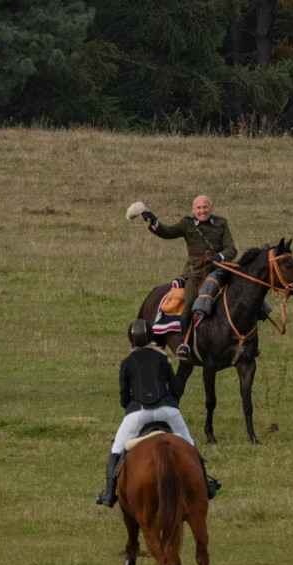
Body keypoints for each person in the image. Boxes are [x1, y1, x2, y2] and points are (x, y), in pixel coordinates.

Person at [97, 319, 220, 507]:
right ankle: (205, 485)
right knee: (190, 445)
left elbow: (124, 397)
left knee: (116, 450)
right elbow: (176, 388)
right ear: (152, 336)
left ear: (131, 339)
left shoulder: (127, 363)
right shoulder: (162, 358)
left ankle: (108, 493)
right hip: (167, 411)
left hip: (138, 413)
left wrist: (129, 407)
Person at [141, 195, 237, 361]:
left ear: (211, 208)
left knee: (242, 291)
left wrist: (220, 257)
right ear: (193, 210)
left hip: (219, 270)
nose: (202, 211)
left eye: (205, 207)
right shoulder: (187, 224)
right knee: (190, 298)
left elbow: (231, 249)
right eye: (198, 208)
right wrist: (154, 222)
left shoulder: (222, 223)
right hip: (196, 272)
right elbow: (168, 232)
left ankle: (248, 339)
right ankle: (185, 343)